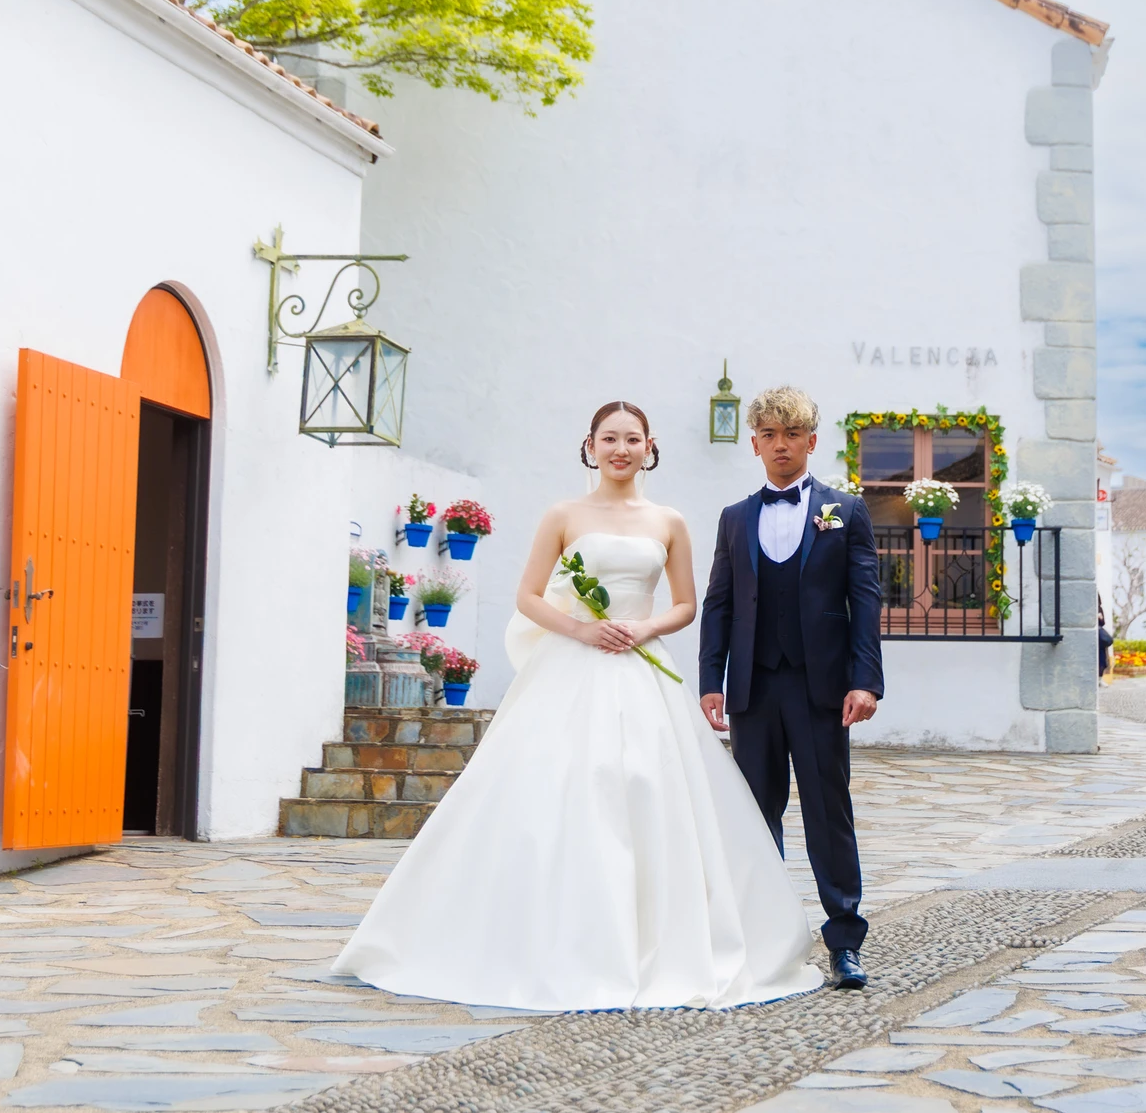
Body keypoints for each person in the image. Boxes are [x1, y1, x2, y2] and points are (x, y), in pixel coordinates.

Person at [332, 402, 823, 1011]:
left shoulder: (668, 521)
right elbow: (529, 596)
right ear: (590, 445)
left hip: (642, 667)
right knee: (562, 788)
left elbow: (685, 605)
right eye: (609, 438)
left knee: (650, 787)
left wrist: (643, 629)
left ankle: (663, 937)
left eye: (632, 439)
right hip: (572, 663)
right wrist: (582, 629)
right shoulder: (563, 515)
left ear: (650, 447)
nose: (621, 449)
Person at [699, 386, 883, 991]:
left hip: (821, 688)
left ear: (811, 441)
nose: (782, 445)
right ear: (755, 444)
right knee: (756, 814)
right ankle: (764, 938)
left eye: (793, 434)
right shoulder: (734, 518)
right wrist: (711, 680)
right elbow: (719, 604)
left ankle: (845, 942)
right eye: (770, 435)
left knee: (829, 812)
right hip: (752, 687)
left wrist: (865, 681)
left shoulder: (846, 512)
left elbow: (865, 602)